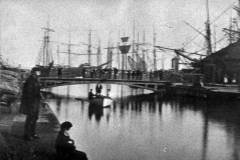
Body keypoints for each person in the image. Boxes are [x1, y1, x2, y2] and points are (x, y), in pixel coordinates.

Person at [20, 67, 42, 141]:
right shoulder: (31, 80)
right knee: (30, 119)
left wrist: (41, 96)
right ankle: (27, 135)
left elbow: (37, 90)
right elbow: (29, 93)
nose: (40, 73)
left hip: (36, 101)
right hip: (31, 102)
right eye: (38, 71)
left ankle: (32, 133)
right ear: (34, 72)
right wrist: (31, 103)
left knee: (35, 118)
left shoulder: (36, 79)